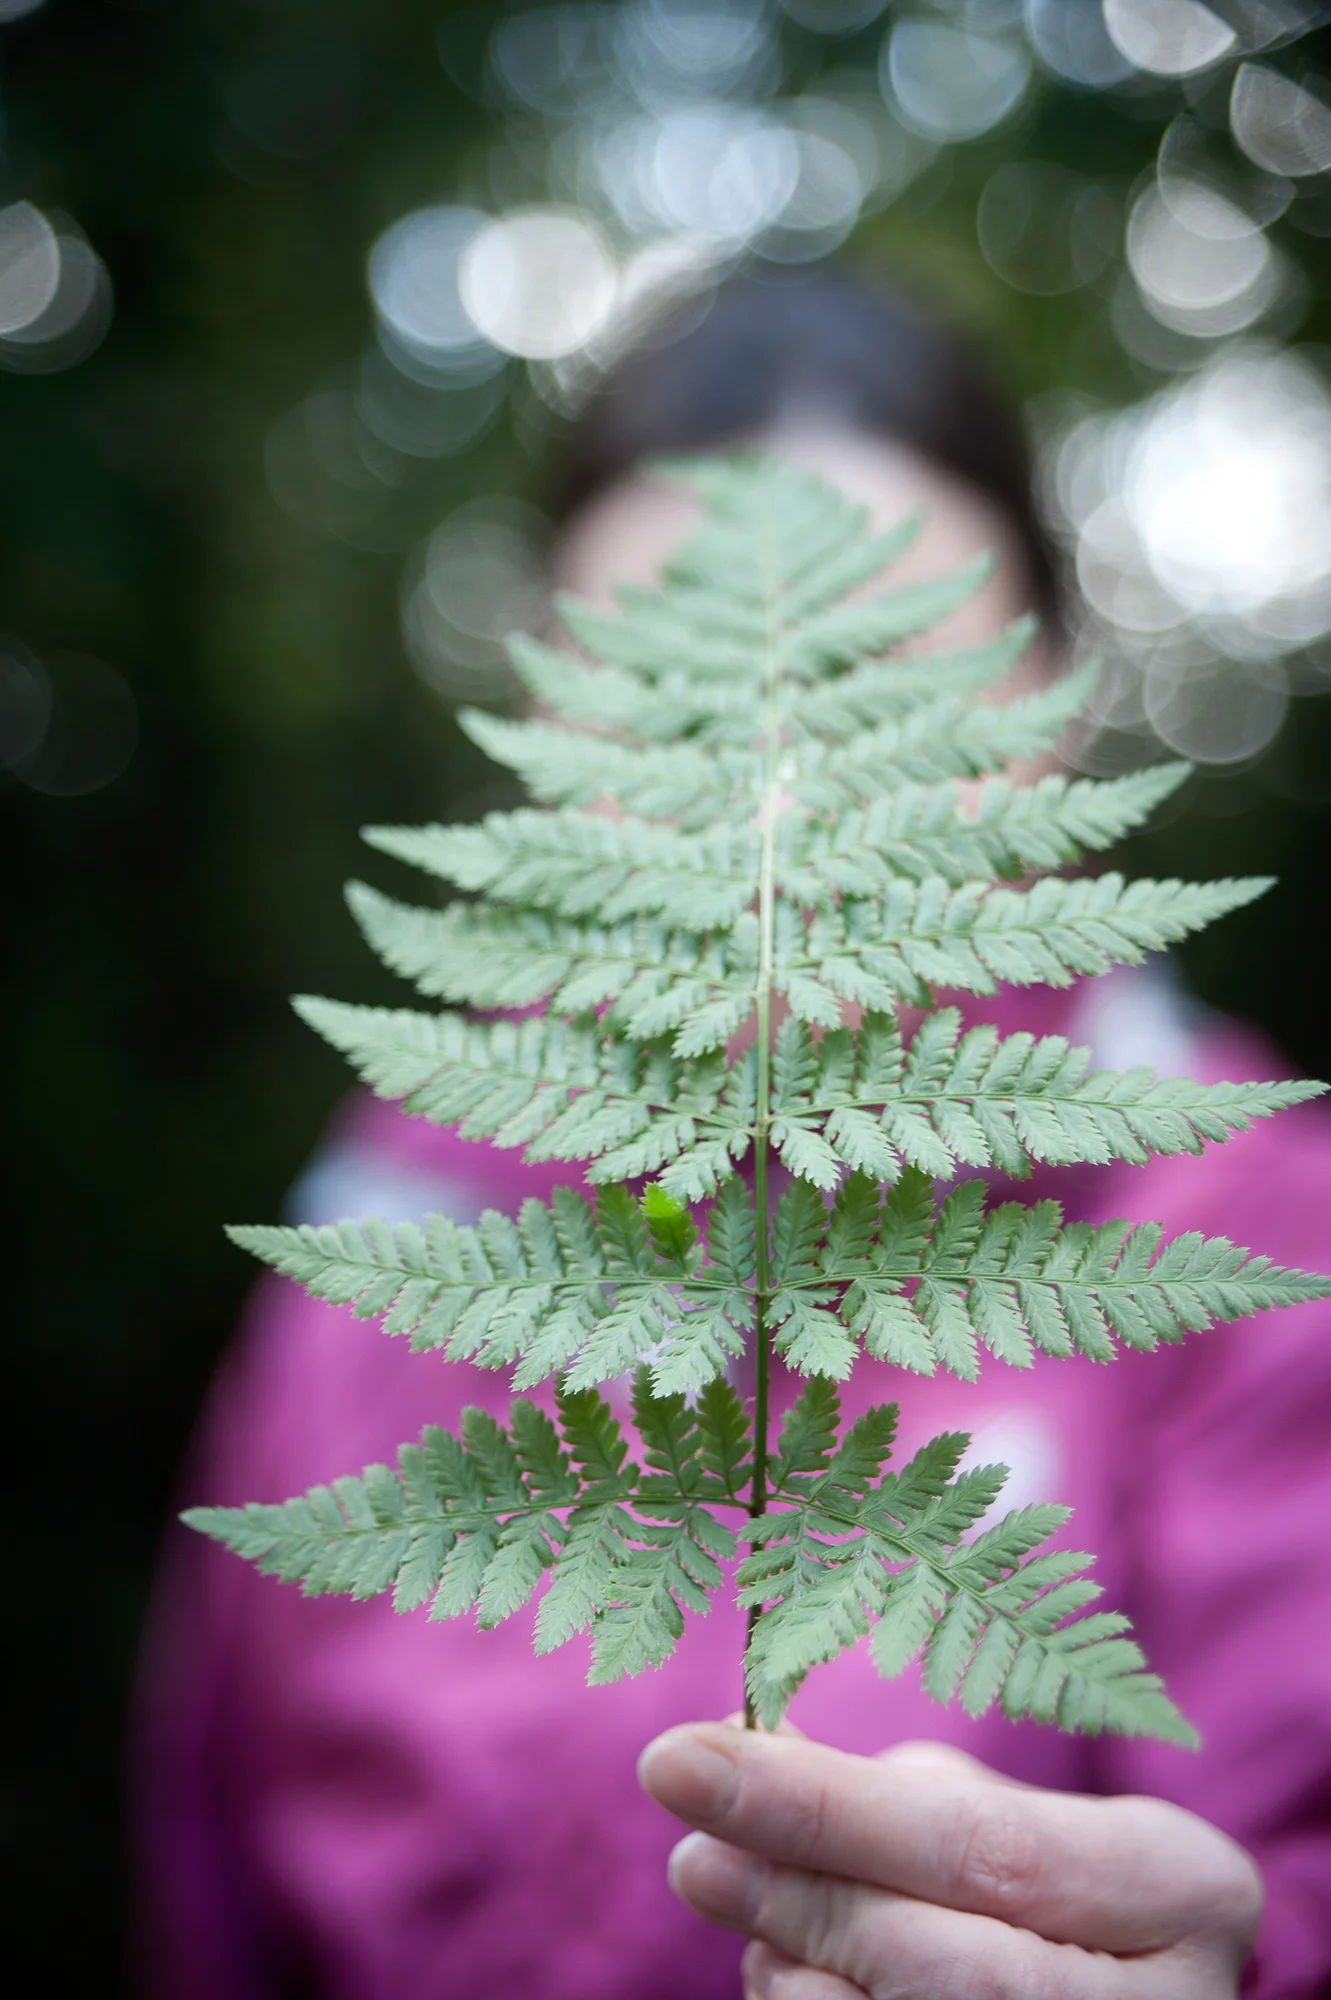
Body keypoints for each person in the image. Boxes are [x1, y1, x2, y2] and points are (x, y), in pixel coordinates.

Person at [132, 271, 1331, 1998]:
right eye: (671, 714)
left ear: (1053, 714)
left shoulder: (1249, 1235)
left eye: (877, 695)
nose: (782, 803)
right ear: (546, 734)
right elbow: (208, 1900)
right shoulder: (388, 1243)